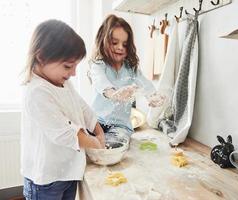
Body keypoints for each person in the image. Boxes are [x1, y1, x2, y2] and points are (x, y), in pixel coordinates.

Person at [21, 19, 105, 200]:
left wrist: (99, 130)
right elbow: (64, 133)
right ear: (42, 56)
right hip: (45, 180)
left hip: (68, 172)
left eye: (75, 66)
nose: (73, 73)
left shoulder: (64, 83)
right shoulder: (37, 92)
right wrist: (96, 144)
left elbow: (82, 107)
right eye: (68, 66)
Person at [89, 14, 165, 144]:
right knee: (84, 141)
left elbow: (144, 83)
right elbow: (100, 82)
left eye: (125, 44)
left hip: (120, 126)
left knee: (113, 145)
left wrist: (153, 96)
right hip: (96, 122)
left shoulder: (131, 68)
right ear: (103, 41)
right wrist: (113, 94)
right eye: (114, 43)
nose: (120, 47)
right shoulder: (98, 65)